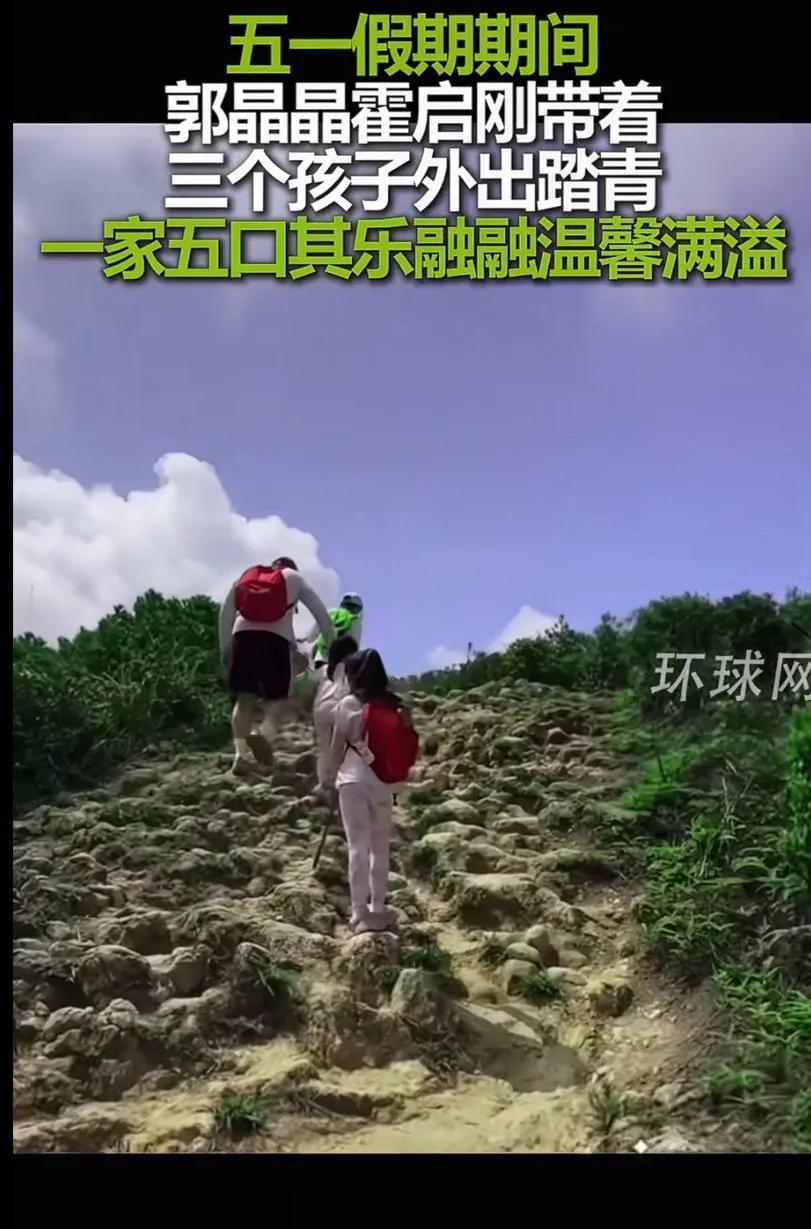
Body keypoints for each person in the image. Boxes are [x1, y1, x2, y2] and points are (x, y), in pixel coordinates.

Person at [320, 648, 419, 934]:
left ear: (354, 676)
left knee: (357, 847)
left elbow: (336, 748)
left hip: (352, 782)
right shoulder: (396, 706)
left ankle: (359, 912)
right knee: (380, 847)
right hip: (384, 784)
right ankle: (378, 908)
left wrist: (329, 780)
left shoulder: (348, 704)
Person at [219, 557, 335, 775]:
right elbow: (322, 616)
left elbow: (226, 612)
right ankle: (262, 733)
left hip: (242, 637)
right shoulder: (294, 578)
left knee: (244, 699)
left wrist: (225, 648)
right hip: (275, 641)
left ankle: (240, 755)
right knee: (280, 699)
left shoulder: (248, 576)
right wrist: (333, 651)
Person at [311, 635, 357, 791]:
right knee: (341, 748)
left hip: (320, 708)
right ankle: (340, 781)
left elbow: (313, 687)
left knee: (323, 748)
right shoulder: (354, 668)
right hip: (340, 707)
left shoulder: (324, 669)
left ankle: (324, 782)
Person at [304, 592, 364, 672]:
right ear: (358, 608)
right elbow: (354, 644)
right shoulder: (355, 620)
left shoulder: (330, 612)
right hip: (339, 663)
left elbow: (312, 635)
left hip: (320, 656)